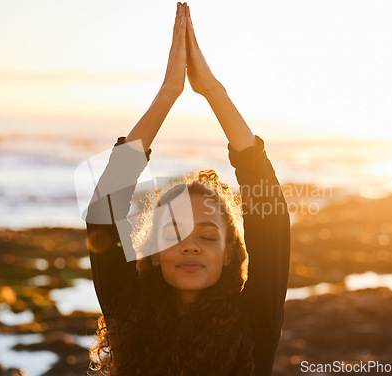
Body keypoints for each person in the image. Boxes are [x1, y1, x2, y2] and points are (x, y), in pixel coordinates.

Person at [85, 3, 290, 375]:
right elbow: (104, 209)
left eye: (209, 236)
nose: (191, 244)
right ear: (154, 253)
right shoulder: (127, 311)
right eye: (174, 232)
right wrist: (167, 93)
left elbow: (270, 213)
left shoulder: (253, 320)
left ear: (229, 255)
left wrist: (212, 90)